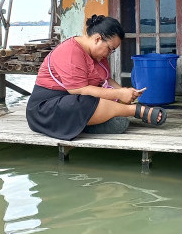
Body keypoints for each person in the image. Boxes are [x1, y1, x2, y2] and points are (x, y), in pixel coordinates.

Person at [26, 14, 167, 140]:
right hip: (45, 109)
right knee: (84, 102)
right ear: (97, 39)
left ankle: (90, 123)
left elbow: (107, 80)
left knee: (94, 101)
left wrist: (127, 92)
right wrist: (119, 94)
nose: (109, 53)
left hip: (76, 100)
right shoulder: (70, 52)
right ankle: (135, 111)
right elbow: (79, 90)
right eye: (110, 49)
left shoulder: (98, 55)